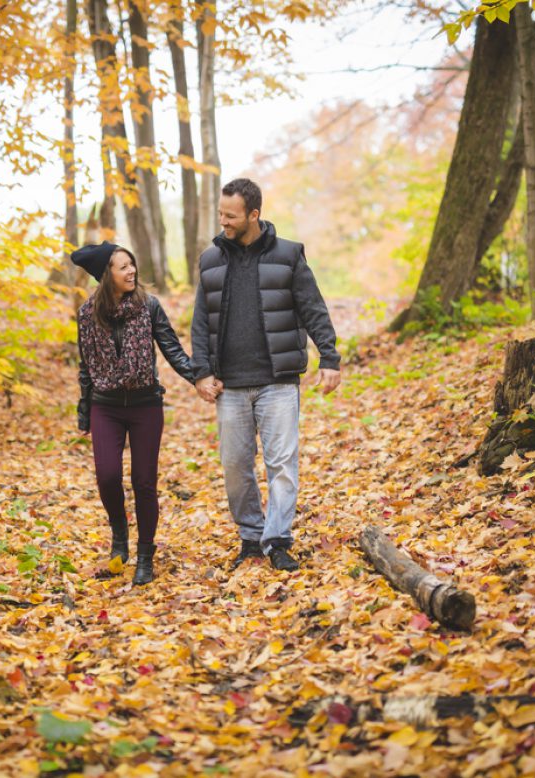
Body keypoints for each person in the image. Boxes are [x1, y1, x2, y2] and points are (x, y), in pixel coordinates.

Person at [191, 178, 341, 572]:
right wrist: (201, 372)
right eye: (221, 213)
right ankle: (249, 538)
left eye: (231, 215)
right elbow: (200, 321)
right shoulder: (211, 261)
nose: (223, 221)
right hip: (231, 387)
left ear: (253, 215)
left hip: (278, 381)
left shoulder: (288, 256)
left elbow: (313, 309)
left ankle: (277, 540)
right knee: (235, 467)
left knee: (282, 465)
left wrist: (330, 357)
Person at [73, 241, 195, 586]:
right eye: (122, 266)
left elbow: (171, 347)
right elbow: (86, 365)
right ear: (106, 275)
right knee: (107, 476)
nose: (131, 271)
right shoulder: (86, 313)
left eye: (132, 264)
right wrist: (85, 413)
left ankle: (144, 555)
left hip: (145, 404)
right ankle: (119, 534)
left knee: (144, 481)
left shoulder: (148, 306)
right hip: (105, 405)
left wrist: (197, 377)